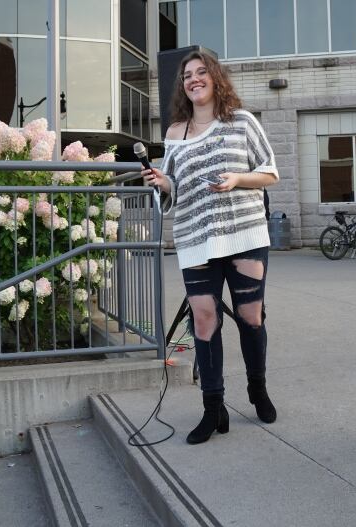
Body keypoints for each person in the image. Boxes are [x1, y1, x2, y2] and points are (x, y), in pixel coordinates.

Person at [142, 50, 279, 444]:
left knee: (251, 316)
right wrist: (163, 182)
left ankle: (258, 389)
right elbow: (176, 187)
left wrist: (237, 179)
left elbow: (270, 172)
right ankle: (213, 407)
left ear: (216, 78)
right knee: (203, 320)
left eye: (202, 72)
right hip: (194, 237)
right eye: (187, 75)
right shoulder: (175, 133)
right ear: (182, 85)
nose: (194, 79)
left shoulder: (242, 122)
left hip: (244, 235)